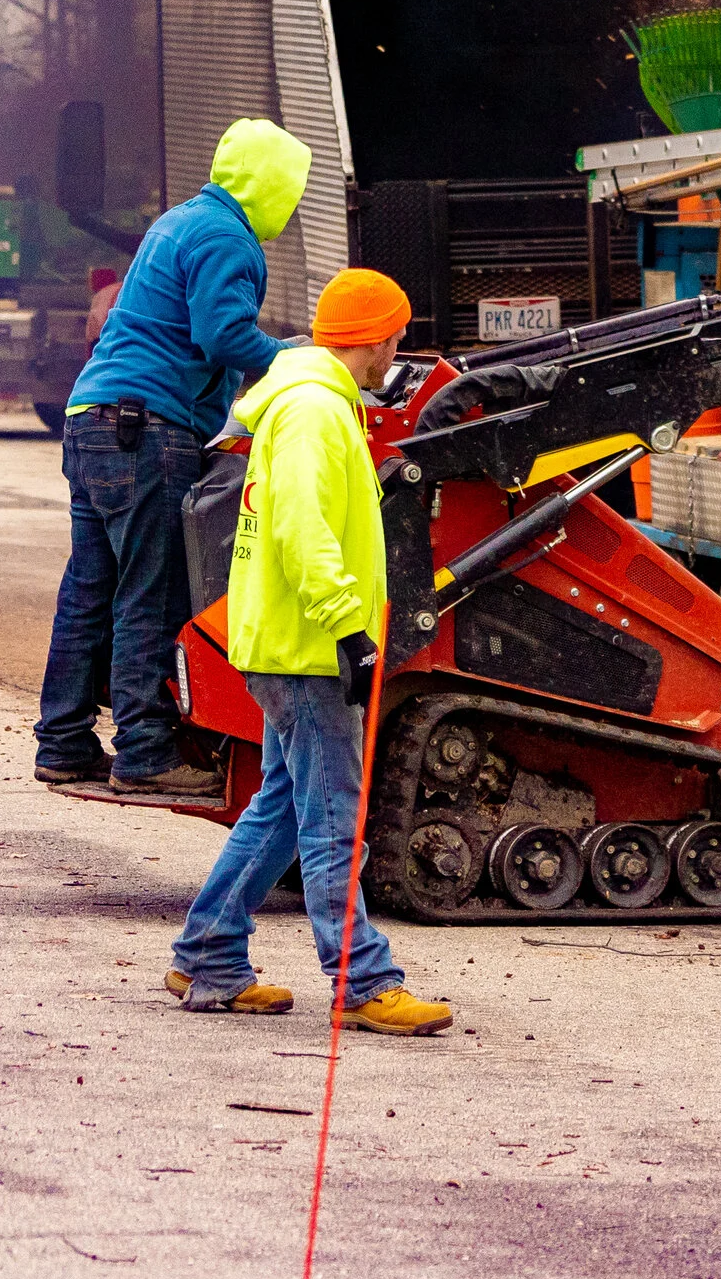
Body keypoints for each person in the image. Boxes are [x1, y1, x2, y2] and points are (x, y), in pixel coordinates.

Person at [165, 268, 452, 1034]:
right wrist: (350, 629)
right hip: (308, 646)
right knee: (332, 816)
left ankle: (208, 957)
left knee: (285, 808)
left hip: (284, 642)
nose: (398, 349)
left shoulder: (300, 401)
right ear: (380, 338)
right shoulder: (318, 413)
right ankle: (364, 982)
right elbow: (300, 529)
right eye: (397, 334)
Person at [34, 119, 306, 794]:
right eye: (292, 190)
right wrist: (301, 363)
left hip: (91, 418)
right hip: (147, 429)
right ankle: (145, 752)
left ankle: (64, 741)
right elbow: (224, 334)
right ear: (271, 184)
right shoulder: (226, 236)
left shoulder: (181, 221)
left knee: (89, 590)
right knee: (149, 594)